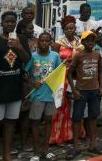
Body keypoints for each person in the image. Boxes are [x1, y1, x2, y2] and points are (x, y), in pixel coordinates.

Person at [0, 11, 31, 161]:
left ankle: (6, 155)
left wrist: (19, 48)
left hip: (14, 89)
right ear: (1, 23)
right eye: (7, 21)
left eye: (13, 21)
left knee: (10, 123)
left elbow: (27, 59)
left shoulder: (21, 39)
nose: (10, 24)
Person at [67, 31, 102, 158]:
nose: (90, 43)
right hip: (81, 92)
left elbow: (100, 71)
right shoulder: (78, 55)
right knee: (77, 118)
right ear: (82, 42)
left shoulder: (97, 55)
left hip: (94, 91)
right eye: (87, 40)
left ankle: (93, 145)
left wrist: (101, 87)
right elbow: (69, 73)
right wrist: (74, 90)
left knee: (93, 117)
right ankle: (76, 147)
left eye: (92, 41)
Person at [25, 32, 61, 160]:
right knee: (35, 122)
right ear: (37, 42)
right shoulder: (32, 56)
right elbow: (25, 73)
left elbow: (59, 73)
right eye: (42, 41)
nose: (44, 43)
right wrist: (32, 82)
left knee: (48, 121)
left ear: (51, 43)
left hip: (50, 95)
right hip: (37, 96)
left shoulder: (55, 56)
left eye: (47, 41)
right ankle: (36, 152)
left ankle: (45, 149)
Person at [49, 16, 81, 146]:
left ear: (75, 29)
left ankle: (74, 134)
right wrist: (65, 63)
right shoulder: (58, 43)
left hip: (75, 78)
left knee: (75, 107)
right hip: (62, 78)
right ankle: (59, 136)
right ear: (63, 29)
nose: (70, 30)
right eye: (67, 28)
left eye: (72, 28)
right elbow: (53, 61)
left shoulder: (79, 43)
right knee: (61, 107)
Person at [16, 19, 37, 152]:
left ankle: (26, 140)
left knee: (29, 111)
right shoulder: (20, 41)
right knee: (23, 112)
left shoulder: (34, 41)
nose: (32, 31)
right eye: (30, 28)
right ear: (22, 30)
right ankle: (22, 141)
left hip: (35, 79)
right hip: (24, 79)